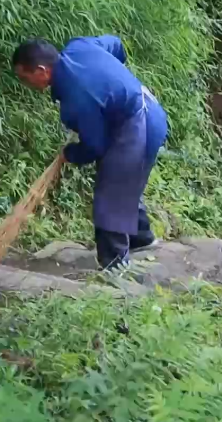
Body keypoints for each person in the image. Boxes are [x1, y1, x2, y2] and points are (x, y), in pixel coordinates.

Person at [12, 35, 168, 270]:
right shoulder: (79, 47)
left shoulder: (76, 98)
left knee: (111, 193)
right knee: (124, 179)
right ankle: (141, 238)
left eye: (25, 78)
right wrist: (113, 76)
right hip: (149, 110)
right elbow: (116, 43)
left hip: (138, 123)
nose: (26, 84)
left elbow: (95, 146)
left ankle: (115, 266)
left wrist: (71, 154)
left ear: (42, 71)